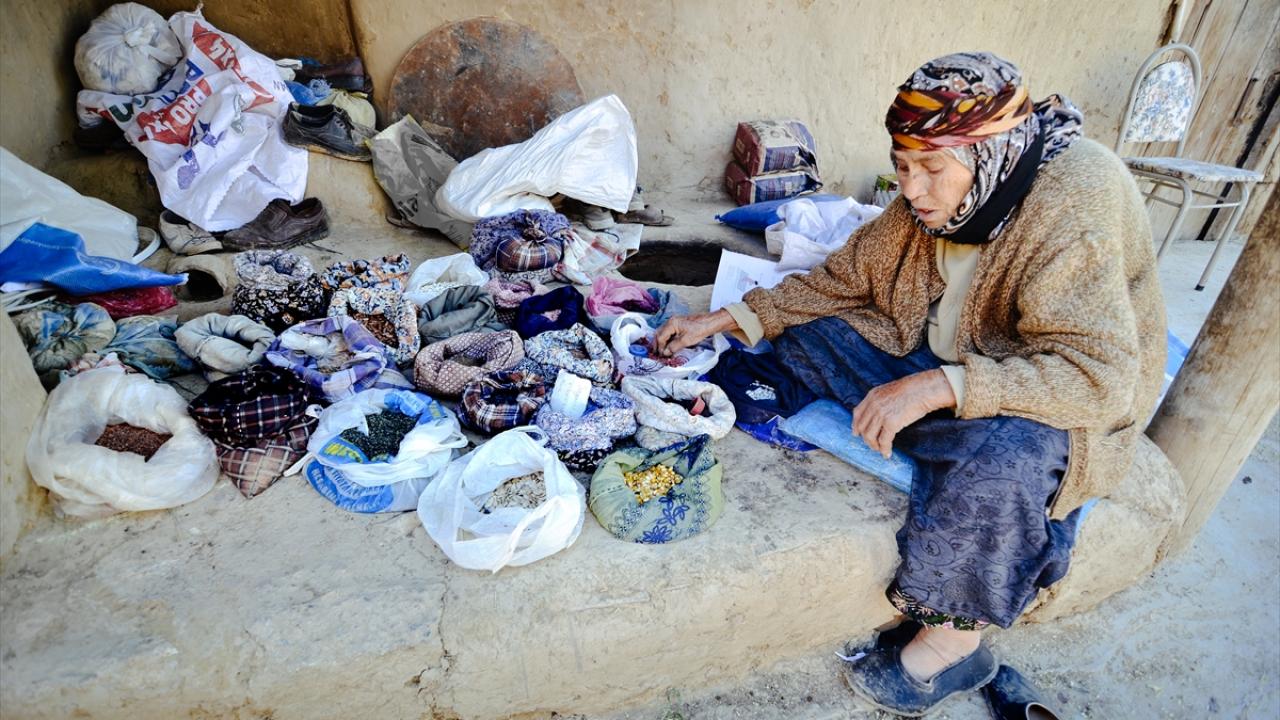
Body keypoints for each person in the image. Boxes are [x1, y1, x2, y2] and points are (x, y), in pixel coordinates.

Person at [655, 51, 1166, 715]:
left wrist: (940, 388)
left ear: (990, 154)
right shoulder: (932, 202)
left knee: (1004, 468)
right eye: (901, 164)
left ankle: (951, 645)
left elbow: (1098, 380)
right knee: (813, 335)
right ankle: (940, 439)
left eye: (930, 168)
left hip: (1052, 399)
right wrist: (733, 316)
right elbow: (844, 280)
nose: (912, 188)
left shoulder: (1076, 198)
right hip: (946, 362)